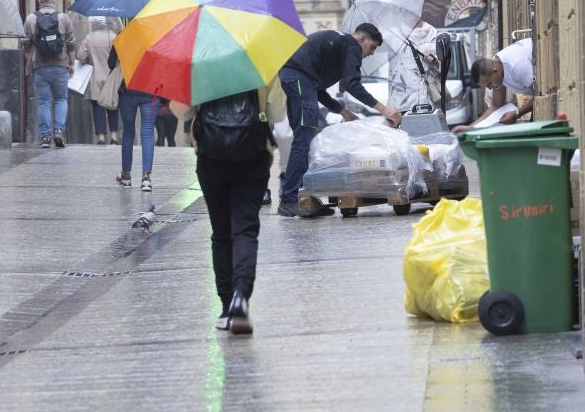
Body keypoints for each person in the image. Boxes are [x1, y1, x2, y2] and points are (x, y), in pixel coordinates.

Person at [186, 80, 286, 335]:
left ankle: (225, 306)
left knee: (220, 234)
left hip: (211, 155)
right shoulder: (261, 60)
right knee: (245, 230)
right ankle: (241, 295)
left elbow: (181, 110)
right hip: (252, 153)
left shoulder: (201, 60)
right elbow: (276, 113)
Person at [277, 23, 403, 218]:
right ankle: (288, 200)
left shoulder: (339, 46)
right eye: (371, 47)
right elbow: (353, 85)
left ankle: (303, 198)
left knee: (306, 139)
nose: (371, 53)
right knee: (304, 138)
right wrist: (384, 109)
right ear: (362, 39)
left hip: (297, 78)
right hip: (298, 77)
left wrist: (343, 111)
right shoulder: (351, 45)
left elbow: (318, 90)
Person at [23, 0, 76, 148]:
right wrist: (72, 63)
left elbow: (25, 43)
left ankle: (45, 137)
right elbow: (71, 42)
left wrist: (29, 59)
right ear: (54, 1)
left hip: (40, 66)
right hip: (60, 65)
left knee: (44, 102)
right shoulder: (63, 18)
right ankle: (58, 131)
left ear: (39, 0)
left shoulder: (31, 19)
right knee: (61, 99)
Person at [452, 37, 534, 133]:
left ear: (495, 72)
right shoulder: (497, 68)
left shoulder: (517, 66)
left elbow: (540, 95)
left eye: (489, 84)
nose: (490, 88)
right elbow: (496, 105)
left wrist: (517, 113)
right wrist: (470, 128)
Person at [108, 41, 159, 192]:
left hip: (129, 90)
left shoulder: (124, 37)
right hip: (151, 90)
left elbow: (111, 63)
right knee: (147, 132)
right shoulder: (157, 38)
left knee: (128, 133)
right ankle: (146, 179)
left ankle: (126, 176)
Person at [76, 16, 120, 145]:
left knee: (97, 107)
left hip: (95, 77)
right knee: (112, 105)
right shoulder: (114, 37)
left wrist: (89, 58)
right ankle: (114, 137)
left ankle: (101, 137)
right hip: (112, 77)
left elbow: (81, 56)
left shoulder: (89, 38)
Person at [386, 20, 440, 112]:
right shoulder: (392, 34)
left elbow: (444, 64)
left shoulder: (435, 34)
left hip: (429, 100)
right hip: (400, 103)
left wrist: (435, 61)